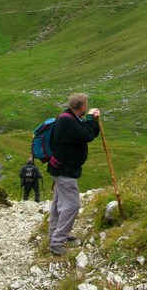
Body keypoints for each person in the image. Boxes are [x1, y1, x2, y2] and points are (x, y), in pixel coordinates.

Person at [47, 92, 100, 256]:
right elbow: (86, 135)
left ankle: (55, 234)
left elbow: (88, 132)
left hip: (60, 168)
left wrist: (93, 121)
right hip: (65, 171)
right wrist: (91, 118)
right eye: (86, 105)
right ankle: (56, 243)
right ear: (82, 106)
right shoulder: (67, 121)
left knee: (58, 203)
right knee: (72, 206)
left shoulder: (69, 117)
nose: (87, 107)